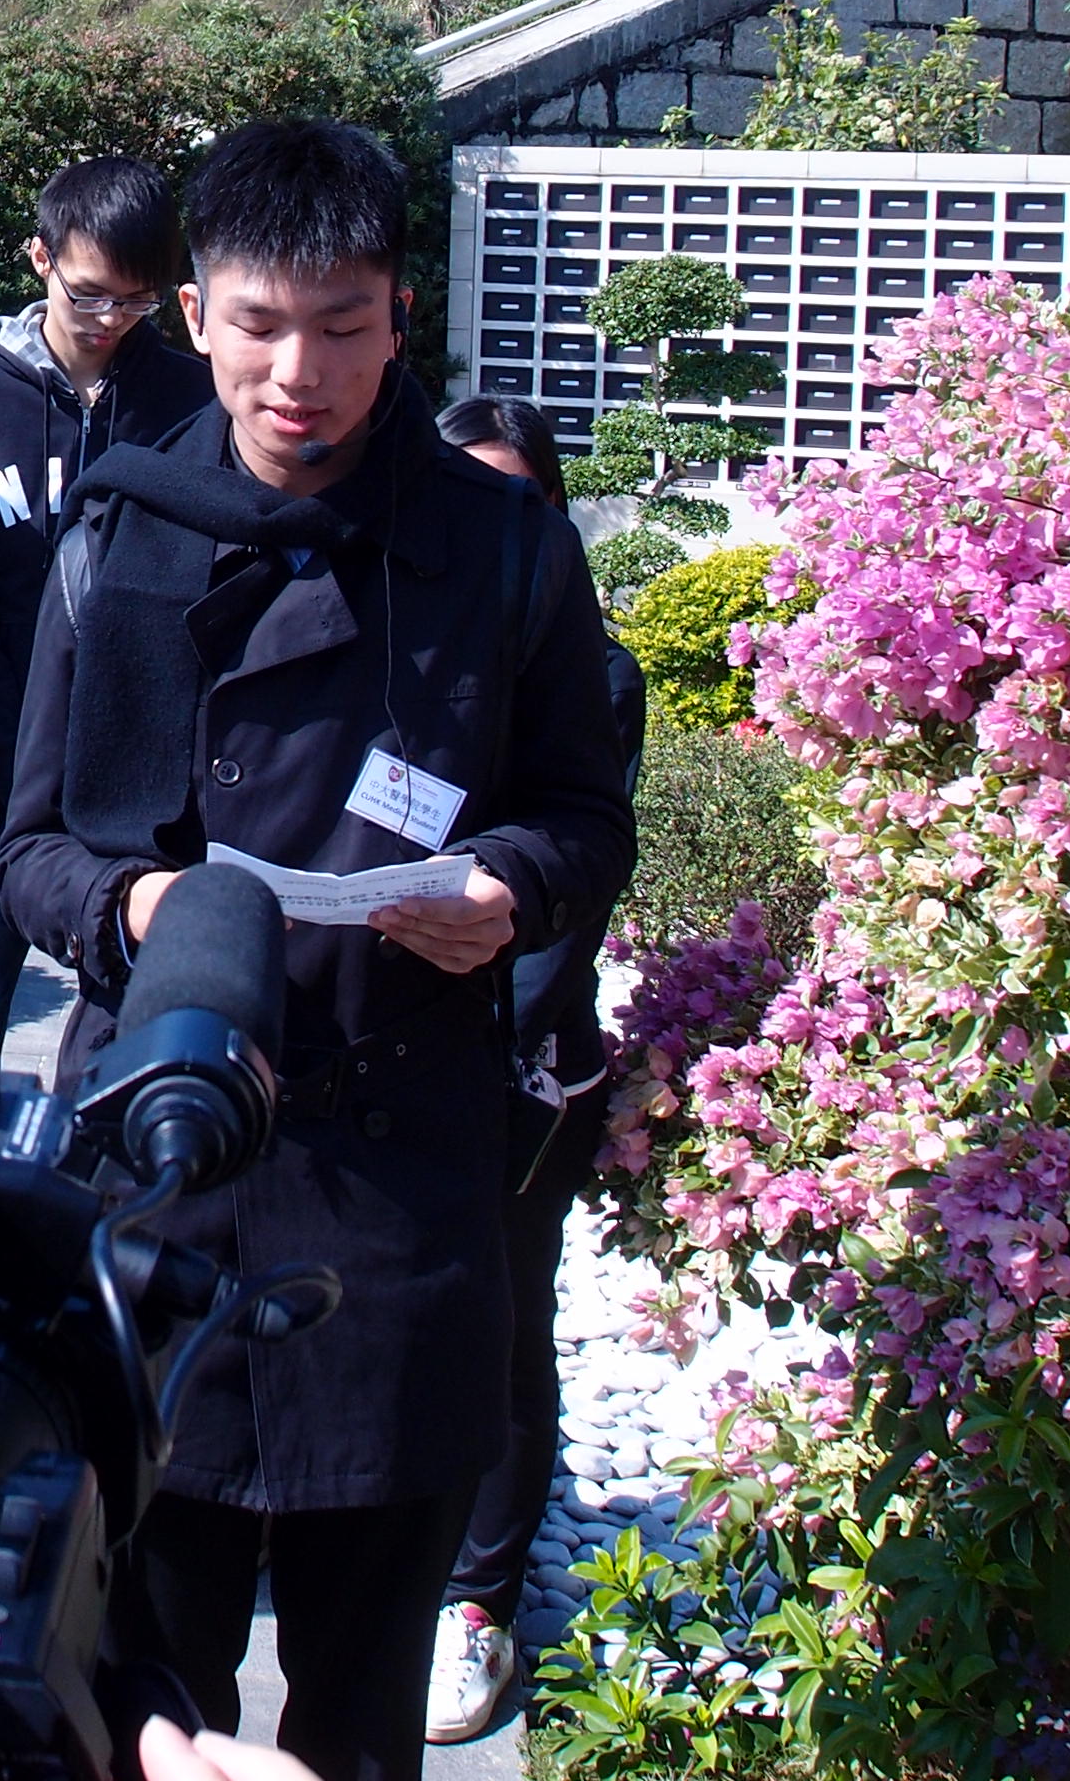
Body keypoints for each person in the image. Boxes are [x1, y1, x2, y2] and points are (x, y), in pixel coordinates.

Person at [0, 122, 634, 1781]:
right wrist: (127, 912)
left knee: (359, 1722)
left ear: (397, 317)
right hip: (161, 1167)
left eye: (342, 326)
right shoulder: (113, 535)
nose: (300, 372)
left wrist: (503, 885)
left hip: (401, 1189)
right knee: (140, 1700)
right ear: (193, 316)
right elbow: (28, 852)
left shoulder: (492, 548)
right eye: (262, 324)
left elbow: (584, 811)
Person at [424, 394, 650, 1745]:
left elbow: (562, 894)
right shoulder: (392, 646)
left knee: (505, 1330)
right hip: (387, 1053)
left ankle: (476, 1605)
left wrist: (504, 1045)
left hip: (521, 1061)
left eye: (522, 502)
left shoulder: (593, 675)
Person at [0, 155, 215, 1064]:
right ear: (39, 259)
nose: (113, 322)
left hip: (144, 802)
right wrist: (20, 763)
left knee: (135, 1053)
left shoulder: (192, 402)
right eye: (89, 296)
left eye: (137, 301)